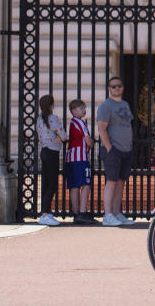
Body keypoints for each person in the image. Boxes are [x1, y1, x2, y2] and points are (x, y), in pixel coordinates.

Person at [97, 76, 136, 227]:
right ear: (109, 89)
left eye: (119, 86)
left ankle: (116, 212)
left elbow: (128, 125)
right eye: (113, 87)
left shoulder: (125, 104)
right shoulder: (106, 106)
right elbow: (101, 128)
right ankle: (107, 215)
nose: (117, 88)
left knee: (120, 183)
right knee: (111, 182)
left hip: (126, 149)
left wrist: (130, 144)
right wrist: (110, 148)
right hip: (113, 149)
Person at [36, 94, 67, 226]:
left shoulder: (39, 119)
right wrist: (60, 138)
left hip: (44, 151)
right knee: (52, 183)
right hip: (52, 152)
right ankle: (44, 213)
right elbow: (64, 135)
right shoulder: (52, 118)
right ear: (51, 105)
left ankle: (46, 212)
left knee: (46, 182)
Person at [66, 98, 98, 225]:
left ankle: (76, 212)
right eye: (81, 108)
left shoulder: (72, 122)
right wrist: (91, 143)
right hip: (80, 158)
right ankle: (83, 212)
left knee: (74, 185)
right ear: (73, 111)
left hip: (71, 158)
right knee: (86, 184)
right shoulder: (79, 122)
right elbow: (88, 141)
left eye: (84, 108)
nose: (84, 110)